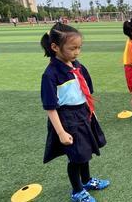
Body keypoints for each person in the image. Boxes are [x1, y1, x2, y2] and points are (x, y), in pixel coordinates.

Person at [40, 23, 109, 202]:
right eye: (72, 48)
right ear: (55, 47)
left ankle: (86, 181)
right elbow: (50, 107)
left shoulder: (77, 66)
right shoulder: (51, 74)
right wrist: (61, 132)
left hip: (83, 114)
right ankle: (77, 191)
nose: (77, 52)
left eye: (79, 48)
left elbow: (85, 91)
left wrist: (92, 112)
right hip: (67, 119)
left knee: (85, 152)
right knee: (76, 157)